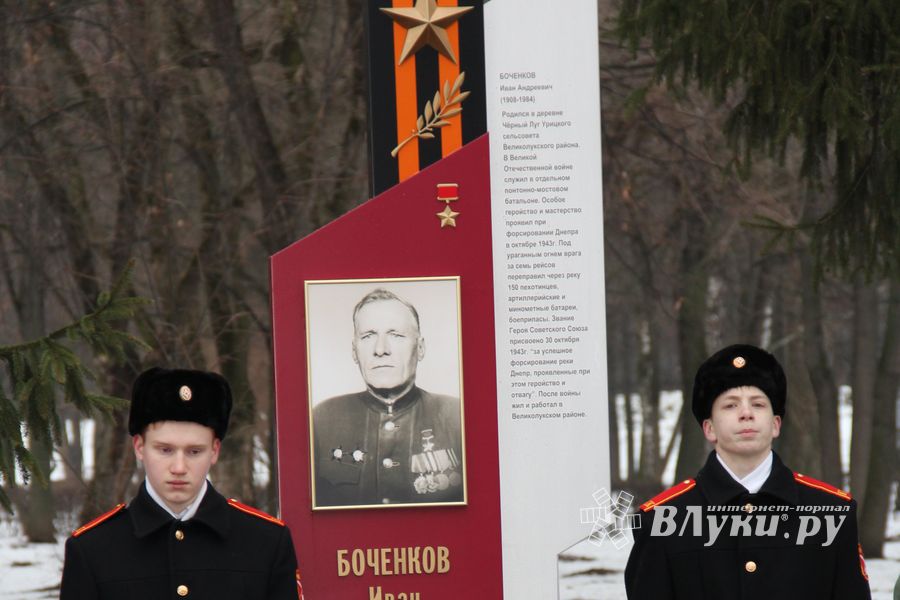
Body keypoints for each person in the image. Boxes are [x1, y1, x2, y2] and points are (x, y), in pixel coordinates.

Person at [625, 344, 871, 600]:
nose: (746, 414)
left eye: (758, 404)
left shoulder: (833, 512)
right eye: (730, 406)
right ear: (709, 428)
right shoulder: (660, 520)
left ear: (776, 424)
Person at [61, 367, 303, 599]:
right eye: (165, 450)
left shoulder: (266, 542)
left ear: (215, 451)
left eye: (194, 451)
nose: (179, 468)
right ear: (139, 447)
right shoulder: (91, 550)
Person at [313, 288, 464, 508]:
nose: (381, 349)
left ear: (420, 348)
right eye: (368, 336)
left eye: (396, 335)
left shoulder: (457, 417)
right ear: (354, 351)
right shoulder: (321, 420)